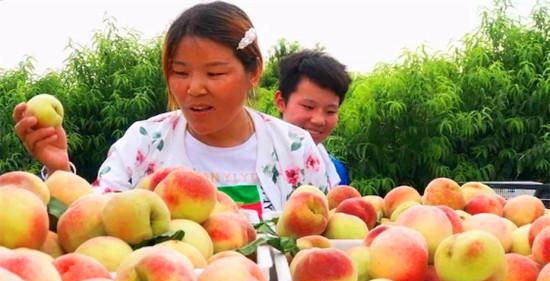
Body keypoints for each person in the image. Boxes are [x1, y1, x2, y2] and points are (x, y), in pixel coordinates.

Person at [12, 1, 336, 218]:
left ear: (253, 72)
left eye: (214, 73)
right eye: (180, 72)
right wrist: (58, 170)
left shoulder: (295, 149)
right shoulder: (144, 143)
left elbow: (328, 239)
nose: (194, 88)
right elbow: (92, 224)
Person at [274, 50, 352, 185]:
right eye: (308, 107)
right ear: (281, 102)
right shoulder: (250, 163)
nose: (319, 120)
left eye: (330, 111)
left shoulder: (335, 171)